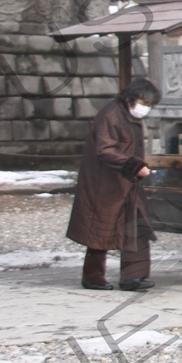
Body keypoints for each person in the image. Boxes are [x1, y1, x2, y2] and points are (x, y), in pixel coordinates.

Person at [67, 77, 160, 292]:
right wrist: (135, 166)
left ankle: (133, 276)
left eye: (149, 106)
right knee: (100, 230)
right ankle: (92, 276)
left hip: (127, 181)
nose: (145, 109)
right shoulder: (111, 115)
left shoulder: (128, 115)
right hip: (105, 182)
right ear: (130, 97)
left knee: (136, 226)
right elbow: (105, 150)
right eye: (144, 103)